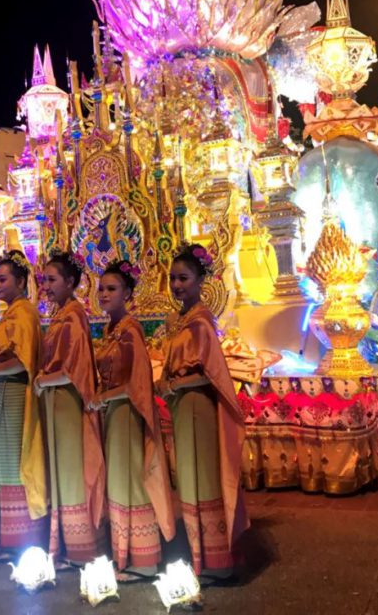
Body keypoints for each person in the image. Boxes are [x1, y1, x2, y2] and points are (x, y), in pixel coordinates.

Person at [158, 244, 247, 577]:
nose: (177, 285)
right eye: (172, 279)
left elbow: (208, 372)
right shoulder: (181, 320)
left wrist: (174, 384)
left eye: (184, 278)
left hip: (197, 407)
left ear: (199, 282)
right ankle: (199, 555)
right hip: (183, 408)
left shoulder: (200, 323)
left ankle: (217, 560)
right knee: (190, 478)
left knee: (203, 478)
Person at [90, 259, 175, 579]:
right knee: (118, 482)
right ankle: (124, 554)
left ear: (128, 293)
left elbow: (138, 382)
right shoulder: (112, 329)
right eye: (101, 289)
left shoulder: (130, 330)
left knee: (131, 481)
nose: (104, 294)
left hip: (127, 413)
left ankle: (145, 560)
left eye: (112, 288)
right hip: (113, 413)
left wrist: (104, 397)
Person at [34, 251, 106, 567]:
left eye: (51, 280)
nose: (45, 286)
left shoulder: (74, 316)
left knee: (71, 470)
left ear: (70, 282)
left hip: (66, 400)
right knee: (60, 469)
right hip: (55, 400)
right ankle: (64, 543)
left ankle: (81, 548)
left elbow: (73, 369)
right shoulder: (62, 315)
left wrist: (42, 379)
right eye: (44, 279)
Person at [0, 250, 48, 561]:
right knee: (1, 465)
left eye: (3, 279)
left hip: (15, 398)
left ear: (21, 281)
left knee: (14, 466)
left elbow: (22, 362)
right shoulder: (10, 314)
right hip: (0, 398)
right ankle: (5, 537)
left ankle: (21, 540)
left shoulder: (24, 314)